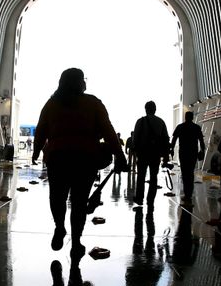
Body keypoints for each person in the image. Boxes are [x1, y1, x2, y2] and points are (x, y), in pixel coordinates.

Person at [33, 68, 127, 256]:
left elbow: (41, 130)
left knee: (57, 198)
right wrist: (120, 155)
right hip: (85, 159)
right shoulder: (93, 103)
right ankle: (76, 242)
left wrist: (36, 151)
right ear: (80, 82)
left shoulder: (51, 104)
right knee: (79, 202)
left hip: (58, 158)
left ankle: (60, 227)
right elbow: (108, 131)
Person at [132, 100, 169, 212]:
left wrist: (136, 151)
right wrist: (165, 156)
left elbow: (135, 139)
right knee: (153, 178)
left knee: (141, 177)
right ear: (155, 109)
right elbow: (165, 139)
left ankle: (139, 198)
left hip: (143, 154)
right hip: (155, 154)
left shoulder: (140, 121)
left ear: (146, 109)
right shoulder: (161, 122)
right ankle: (150, 200)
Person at [169, 111, 206, 205]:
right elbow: (201, 141)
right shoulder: (196, 128)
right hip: (193, 153)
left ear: (185, 117)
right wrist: (202, 151)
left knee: (185, 173)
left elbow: (174, 139)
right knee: (190, 173)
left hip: (183, 153)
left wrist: (171, 150)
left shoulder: (180, 127)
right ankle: (189, 193)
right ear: (192, 117)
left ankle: (187, 193)